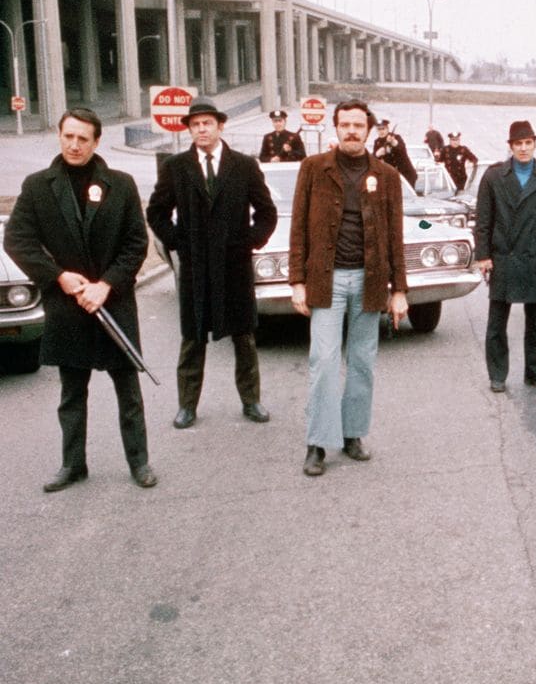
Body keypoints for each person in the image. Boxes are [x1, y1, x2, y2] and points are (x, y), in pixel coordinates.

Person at [5, 108, 158, 491]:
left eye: (83, 139)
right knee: (72, 393)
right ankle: (73, 465)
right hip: (68, 306)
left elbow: (136, 244)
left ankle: (139, 463)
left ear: (96, 142)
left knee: (128, 391)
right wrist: (60, 277)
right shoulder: (38, 186)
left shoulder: (120, 185)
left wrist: (105, 285)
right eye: (68, 136)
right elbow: (17, 240)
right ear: (59, 135)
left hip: (113, 304)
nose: (74, 145)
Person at [289, 99, 409, 476]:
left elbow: (395, 236)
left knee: (362, 362)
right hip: (327, 280)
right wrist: (297, 281)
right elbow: (298, 229)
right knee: (323, 362)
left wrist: (399, 289)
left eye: (359, 125)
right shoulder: (313, 169)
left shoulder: (387, 175)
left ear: (369, 130)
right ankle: (318, 443)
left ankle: (353, 433)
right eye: (345, 125)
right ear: (335, 128)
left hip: (370, 281)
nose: (352, 131)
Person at [147, 100, 278, 430]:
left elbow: (266, 212)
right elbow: (156, 212)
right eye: (195, 125)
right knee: (192, 336)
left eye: (207, 123)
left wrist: (250, 241)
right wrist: (178, 241)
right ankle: (187, 406)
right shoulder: (177, 167)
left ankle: (251, 400)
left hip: (234, 266)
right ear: (189, 130)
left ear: (221, 126)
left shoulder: (244, 165)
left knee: (244, 337)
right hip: (195, 267)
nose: (201, 130)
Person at [473, 120, 536, 393]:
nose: (524, 149)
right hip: (504, 256)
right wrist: (483, 255)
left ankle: (534, 371)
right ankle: (498, 374)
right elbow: (483, 220)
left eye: (528, 143)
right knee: (497, 320)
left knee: (535, 320)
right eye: (518, 144)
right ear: (510, 146)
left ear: (535, 144)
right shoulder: (493, 177)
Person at [372, 120, 418, 187]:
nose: (381, 131)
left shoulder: (397, 137)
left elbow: (402, 149)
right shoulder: (377, 142)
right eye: (379, 129)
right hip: (391, 176)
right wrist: (377, 154)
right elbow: (373, 159)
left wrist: (393, 142)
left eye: (383, 129)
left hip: (406, 174)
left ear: (387, 129)